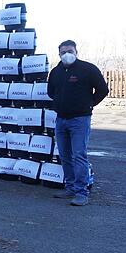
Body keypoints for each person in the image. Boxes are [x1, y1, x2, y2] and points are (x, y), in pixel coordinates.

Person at [47, 40, 109, 206]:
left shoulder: (87, 69)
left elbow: (103, 90)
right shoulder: (56, 71)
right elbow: (50, 92)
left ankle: (82, 192)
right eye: (63, 52)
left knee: (79, 155)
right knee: (65, 156)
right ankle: (70, 188)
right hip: (61, 120)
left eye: (70, 51)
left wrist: (89, 104)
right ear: (59, 54)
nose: (67, 54)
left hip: (79, 120)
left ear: (76, 51)